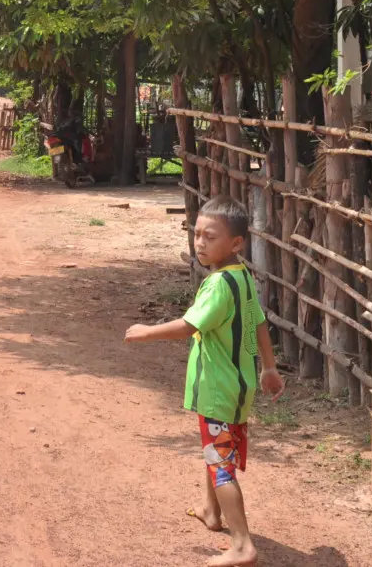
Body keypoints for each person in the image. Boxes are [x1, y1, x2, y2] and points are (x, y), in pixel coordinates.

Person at [126, 199, 283, 567]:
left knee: (220, 463)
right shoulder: (243, 276)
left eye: (209, 237)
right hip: (238, 387)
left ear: (236, 243)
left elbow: (189, 326)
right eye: (196, 234)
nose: (200, 243)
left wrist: (146, 332)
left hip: (218, 390)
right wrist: (270, 369)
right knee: (215, 451)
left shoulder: (217, 285)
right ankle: (212, 513)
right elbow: (259, 322)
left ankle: (243, 545)